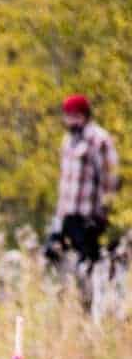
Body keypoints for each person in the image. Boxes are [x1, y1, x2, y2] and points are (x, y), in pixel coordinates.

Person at [47, 93, 120, 271]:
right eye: (68, 116)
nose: (71, 120)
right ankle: (69, 295)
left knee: (89, 264)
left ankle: (92, 297)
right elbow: (64, 183)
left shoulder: (99, 140)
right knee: (51, 254)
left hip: (88, 216)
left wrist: (103, 214)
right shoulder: (67, 140)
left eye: (75, 116)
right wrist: (58, 218)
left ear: (85, 115)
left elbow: (110, 179)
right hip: (67, 215)